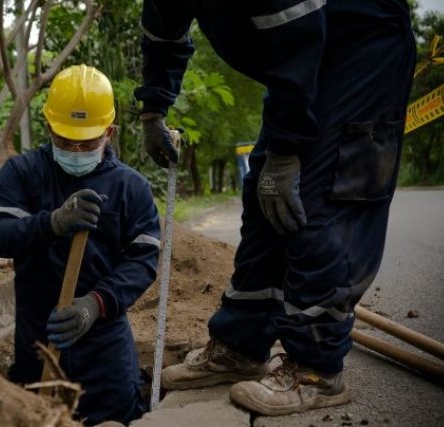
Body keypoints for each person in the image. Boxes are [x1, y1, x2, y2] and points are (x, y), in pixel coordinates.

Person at [134, 0, 415, 416]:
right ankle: (242, 346)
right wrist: (153, 110)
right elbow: (162, 33)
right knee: (264, 196)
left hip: (361, 48)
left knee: (318, 196)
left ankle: (317, 370)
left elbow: (295, 36)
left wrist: (286, 150)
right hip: (304, 58)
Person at [0, 64, 161, 425]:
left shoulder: (131, 187)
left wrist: (96, 304)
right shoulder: (23, 173)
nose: (76, 149)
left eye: (88, 141)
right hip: (38, 340)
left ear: (109, 132)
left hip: (105, 346)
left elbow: (143, 260)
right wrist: (51, 223)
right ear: (49, 128)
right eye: (65, 140)